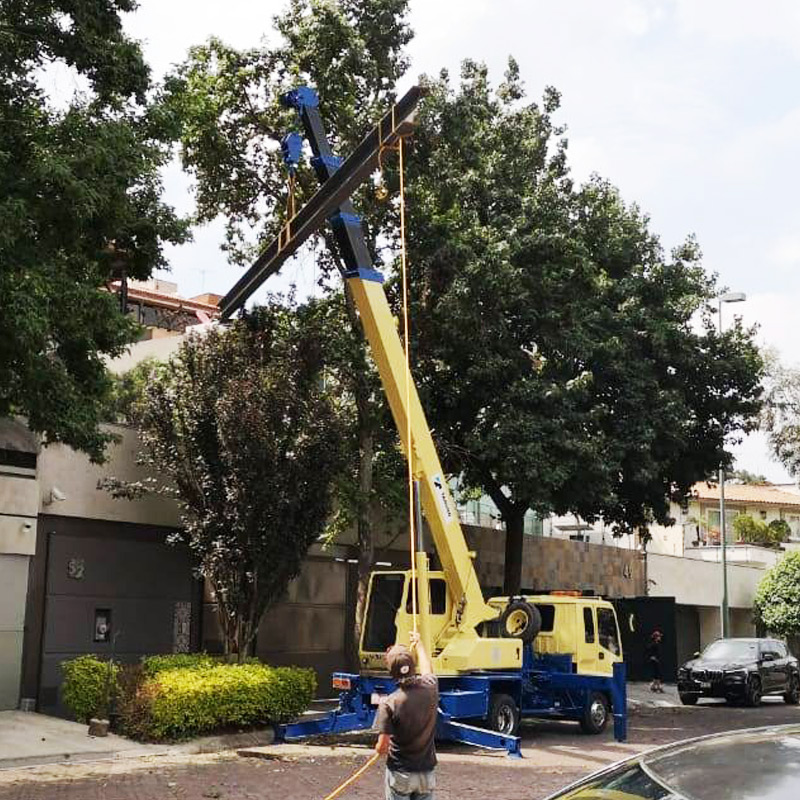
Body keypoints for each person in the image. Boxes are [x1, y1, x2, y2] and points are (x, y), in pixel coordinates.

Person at [375, 631, 439, 800]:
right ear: (412, 666)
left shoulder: (389, 703)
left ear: (392, 673)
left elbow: (382, 747)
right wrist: (419, 644)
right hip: (426, 773)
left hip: (400, 773)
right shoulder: (430, 688)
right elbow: (427, 669)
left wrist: (378, 749)